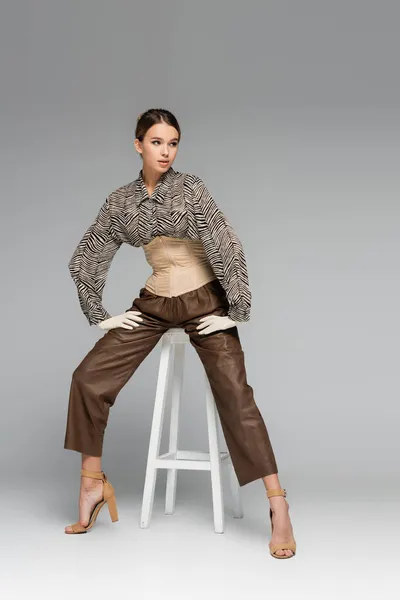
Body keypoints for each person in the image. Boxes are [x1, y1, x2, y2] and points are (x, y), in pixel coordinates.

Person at [63, 108, 296, 558]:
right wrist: (98, 312)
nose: (166, 151)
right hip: (153, 304)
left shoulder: (191, 189)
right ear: (138, 145)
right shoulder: (121, 201)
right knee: (88, 379)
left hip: (205, 299)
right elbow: (88, 255)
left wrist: (237, 310)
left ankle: (278, 504)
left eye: (173, 143)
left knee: (235, 394)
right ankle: (92, 484)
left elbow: (226, 242)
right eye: (156, 142)